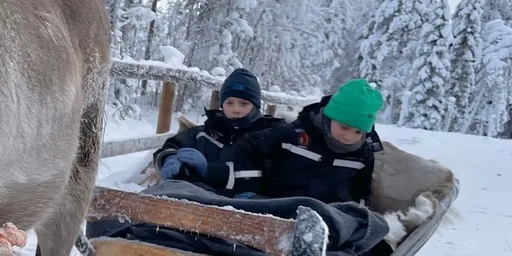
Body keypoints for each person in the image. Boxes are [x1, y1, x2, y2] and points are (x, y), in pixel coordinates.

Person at [236, 78, 384, 205]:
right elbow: (247, 145)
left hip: (329, 217)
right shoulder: (294, 135)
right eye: (344, 127)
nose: (349, 136)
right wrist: (248, 187)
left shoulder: (363, 155)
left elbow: (360, 193)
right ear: (329, 118)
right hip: (280, 205)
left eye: (358, 132)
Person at [152, 68, 280, 196]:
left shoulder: (268, 138)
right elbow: (172, 146)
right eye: (229, 103)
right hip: (197, 205)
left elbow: (270, 178)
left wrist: (210, 171)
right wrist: (169, 158)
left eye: (244, 103)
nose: (236, 109)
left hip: (251, 207)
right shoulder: (203, 135)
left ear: (255, 106)